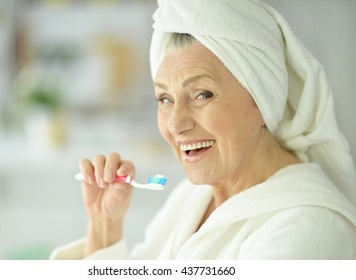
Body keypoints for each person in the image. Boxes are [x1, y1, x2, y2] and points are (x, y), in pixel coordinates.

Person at [50, 0, 356, 259]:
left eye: (202, 95)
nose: (175, 124)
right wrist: (104, 227)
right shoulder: (190, 198)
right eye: (165, 98)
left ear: (262, 99)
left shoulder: (309, 231)